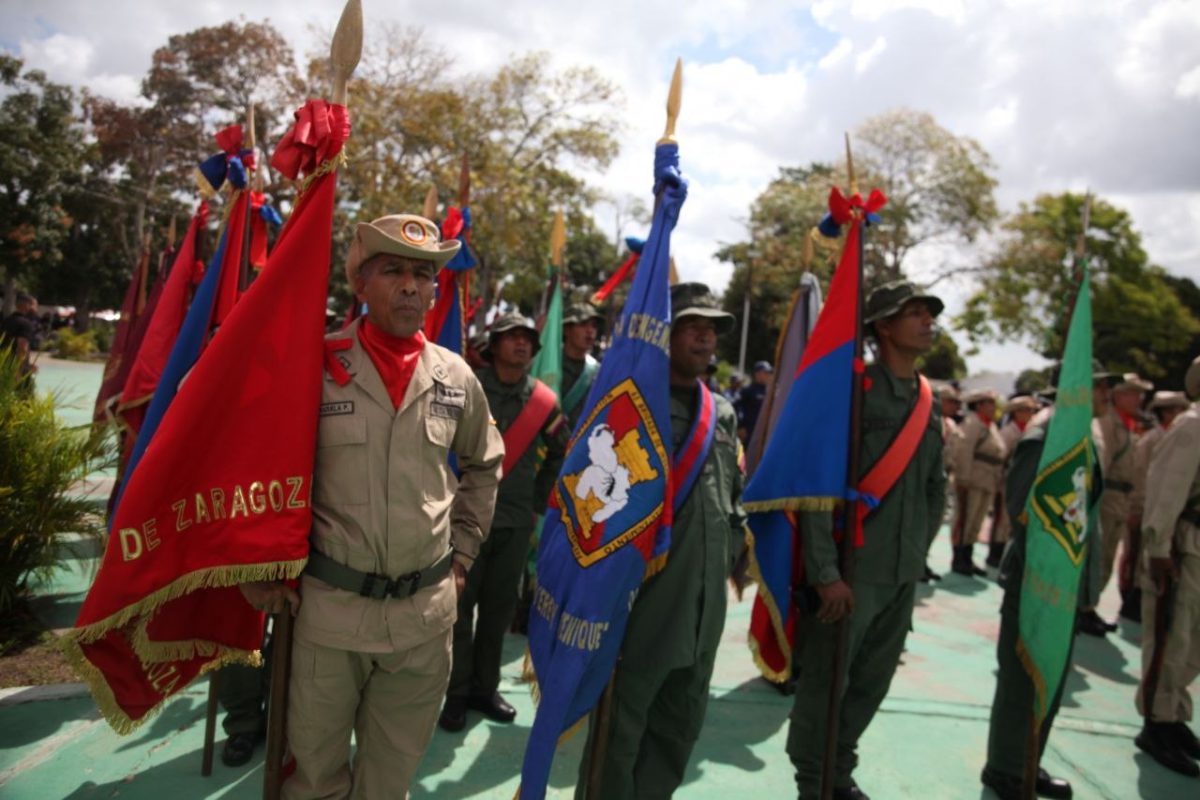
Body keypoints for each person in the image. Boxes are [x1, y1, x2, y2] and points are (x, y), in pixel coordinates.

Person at [237, 213, 505, 799]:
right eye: (393, 271)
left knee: (390, 781)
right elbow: (261, 463)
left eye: (423, 274)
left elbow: (485, 464)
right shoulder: (316, 364)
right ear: (361, 283)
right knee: (311, 779)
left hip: (424, 620)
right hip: (331, 613)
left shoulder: (454, 375)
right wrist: (259, 566)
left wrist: (461, 557)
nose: (412, 286)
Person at [577, 282, 745, 798]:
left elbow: (732, 501)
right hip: (646, 601)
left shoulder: (722, 412)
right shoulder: (628, 407)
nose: (706, 338)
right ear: (663, 335)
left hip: (703, 607)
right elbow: (593, 511)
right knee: (620, 731)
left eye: (712, 329)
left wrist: (734, 556)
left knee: (678, 728)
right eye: (693, 327)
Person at [787, 281, 946, 800]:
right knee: (827, 683)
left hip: (899, 573)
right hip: (850, 573)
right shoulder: (853, 391)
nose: (927, 322)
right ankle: (813, 782)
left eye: (929, 314)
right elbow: (816, 486)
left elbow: (934, 487)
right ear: (882, 325)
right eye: (915, 314)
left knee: (871, 682)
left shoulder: (929, 399)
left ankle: (839, 771)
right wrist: (826, 573)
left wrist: (916, 555)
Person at [979, 369, 1111, 800]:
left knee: (1049, 676)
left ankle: (1028, 762)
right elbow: (1021, 506)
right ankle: (1005, 769)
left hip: (1066, 578)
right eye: (1099, 385)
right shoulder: (1047, 431)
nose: (1106, 394)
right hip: (1038, 577)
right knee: (1021, 679)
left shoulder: (1081, 431)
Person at [439, 313, 569, 731]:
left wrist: (536, 501)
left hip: (513, 522)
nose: (521, 345)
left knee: (497, 612)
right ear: (494, 346)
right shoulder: (468, 384)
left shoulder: (543, 400)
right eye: (512, 338)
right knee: (458, 611)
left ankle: (484, 688)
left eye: (527, 340)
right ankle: (454, 693)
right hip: (462, 520)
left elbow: (560, 451)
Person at [1134, 356, 1200, 777]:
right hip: (1184, 548)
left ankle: (1174, 713)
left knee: (1194, 641)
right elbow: (1166, 489)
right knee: (1172, 636)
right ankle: (1156, 724)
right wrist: (1158, 549)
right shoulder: (1193, 426)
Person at [1078, 369, 1137, 636]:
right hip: (1106, 496)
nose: (1138, 399)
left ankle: (1089, 606)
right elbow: (1102, 464)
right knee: (1096, 554)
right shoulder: (1106, 423)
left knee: (1108, 555)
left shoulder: (1126, 424)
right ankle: (1082, 608)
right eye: (1133, 393)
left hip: (1121, 499)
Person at [949, 389, 1006, 577]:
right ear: (979, 404)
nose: (994, 407)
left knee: (976, 521)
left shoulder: (990, 425)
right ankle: (959, 558)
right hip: (972, 479)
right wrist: (963, 478)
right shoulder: (972, 423)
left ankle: (968, 557)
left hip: (987, 480)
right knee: (964, 518)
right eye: (990, 403)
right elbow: (963, 451)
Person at [988, 395, 1039, 568]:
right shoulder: (1009, 432)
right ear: (1015, 413)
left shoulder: (1029, 430)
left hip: (1022, 481)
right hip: (1007, 480)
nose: (1030, 413)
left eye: (1032, 410)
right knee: (1002, 518)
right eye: (1025, 410)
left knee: (1013, 520)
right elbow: (1000, 457)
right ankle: (994, 553)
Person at [561, 302, 604, 429]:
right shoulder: (550, 365)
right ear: (567, 329)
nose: (590, 331)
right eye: (583, 324)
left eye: (594, 326)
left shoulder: (597, 372)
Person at [1, 292, 41, 392]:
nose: (36, 309)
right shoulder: (26, 324)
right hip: (17, 370)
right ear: (27, 306)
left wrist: (29, 364)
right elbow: (22, 347)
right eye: (35, 305)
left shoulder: (6, 321)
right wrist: (19, 370)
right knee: (26, 400)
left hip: (3, 366)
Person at [735, 360, 773, 442]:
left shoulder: (770, 391)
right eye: (765, 373)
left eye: (769, 373)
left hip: (764, 432)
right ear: (757, 374)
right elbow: (737, 408)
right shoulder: (747, 390)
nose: (768, 375)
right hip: (749, 432)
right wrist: (740, 426)